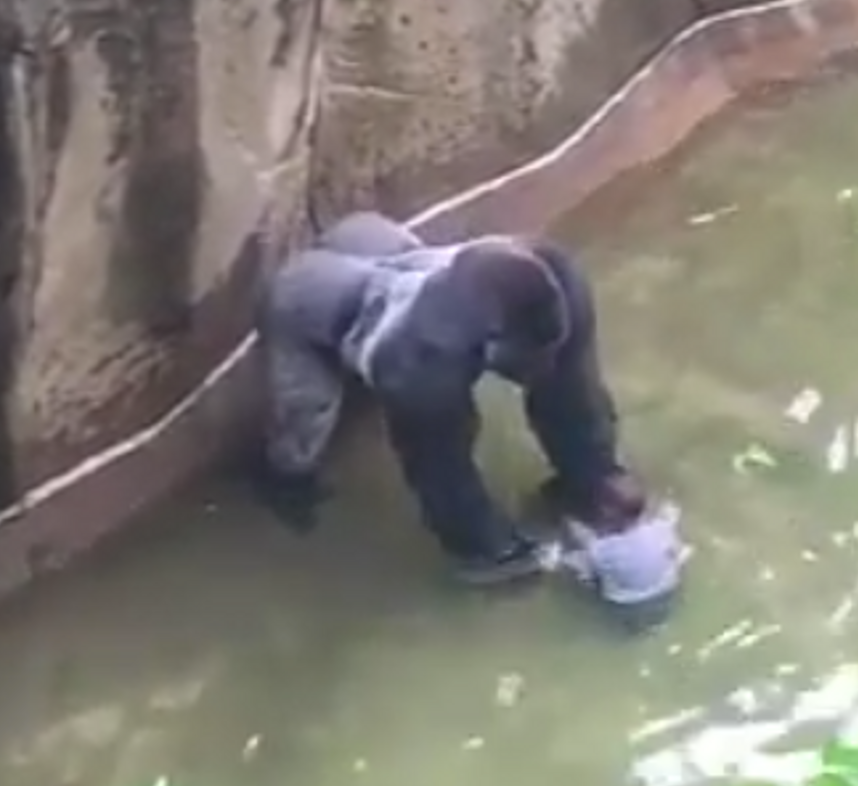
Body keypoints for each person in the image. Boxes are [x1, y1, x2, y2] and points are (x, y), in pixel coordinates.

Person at [250, 210, 647, 585]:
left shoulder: (560, 278)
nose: (538, 370)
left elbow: (575, 384)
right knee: (306, 427)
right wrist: (496, 553)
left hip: (395, 262)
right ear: (486, 342)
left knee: (367, 236)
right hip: (304, 299)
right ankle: (282, 485)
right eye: (526, 361)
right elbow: (440, 473)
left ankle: (587, 479)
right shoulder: (419, 363)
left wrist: (597, 474)